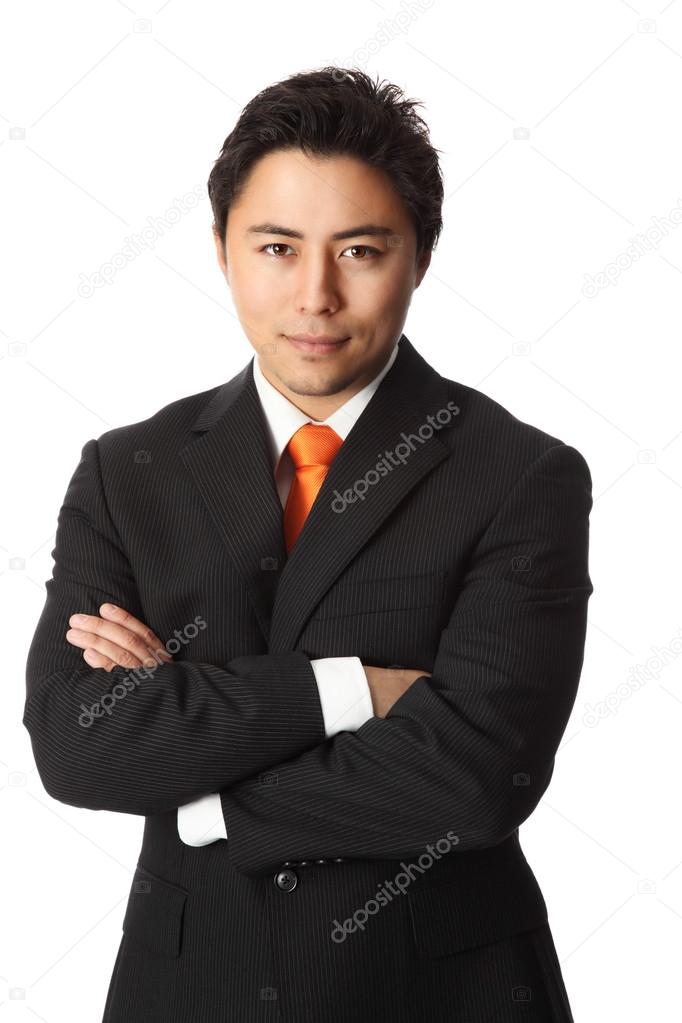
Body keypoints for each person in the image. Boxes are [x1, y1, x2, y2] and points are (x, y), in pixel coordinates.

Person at [23, 66, 592, 1022]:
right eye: (278, 247)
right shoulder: (131, 473)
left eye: (361, 250)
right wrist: (354, 691)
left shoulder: (520, 476)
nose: (315, 295)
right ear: (221, 248)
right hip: (187, 986)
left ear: (419, 255)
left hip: (437, 993)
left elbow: (479, 775)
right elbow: (81, 747)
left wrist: (202, 793)